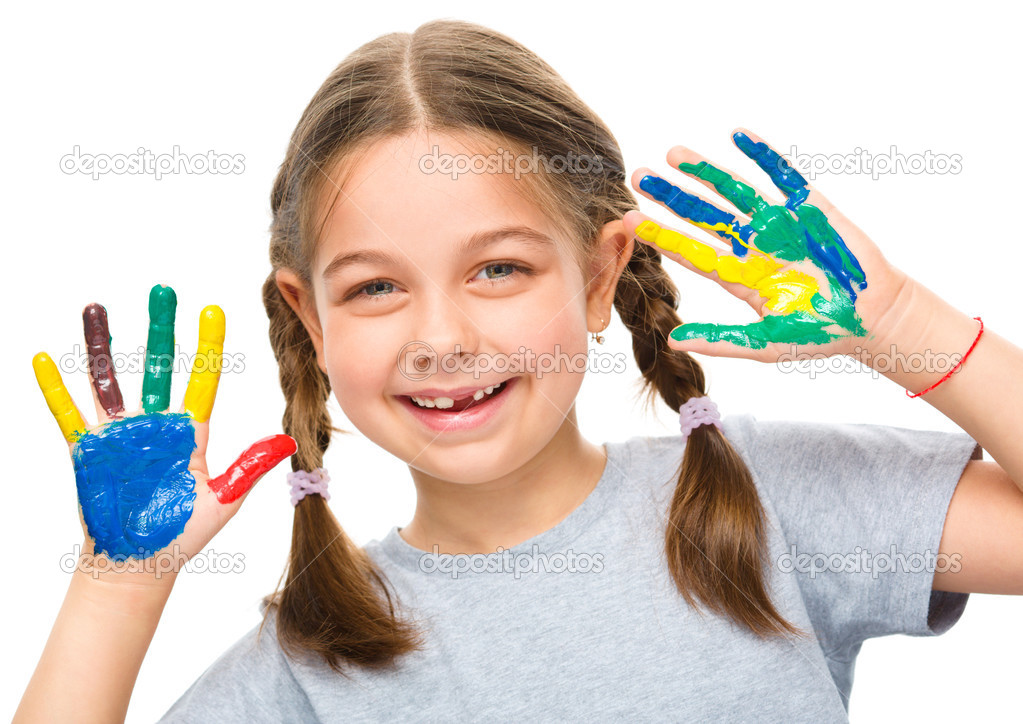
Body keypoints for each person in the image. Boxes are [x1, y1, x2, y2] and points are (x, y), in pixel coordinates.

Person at [15, 18, 1023, 722]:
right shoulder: (316, 660)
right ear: (306, 318)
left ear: (599, 275)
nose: (443, 334)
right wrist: (118, 585)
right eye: (374, 287)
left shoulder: (768, 504)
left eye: (499, 268)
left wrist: (900, 323)